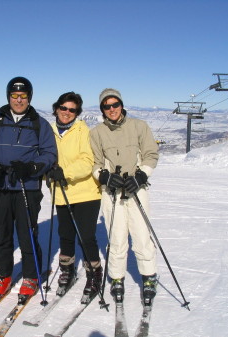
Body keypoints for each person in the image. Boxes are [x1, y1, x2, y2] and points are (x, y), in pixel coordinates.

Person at [0, 76, 57, 301]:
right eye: (14, 95)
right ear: (8, 96)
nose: (19, 100)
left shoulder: (39, 122)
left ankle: (31, 275)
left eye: (23, 96)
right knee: (1, 233)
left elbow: (50, 154)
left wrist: (32, 167)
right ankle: (4, 274)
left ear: (29, 97)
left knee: (26, 232)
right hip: (1, 184)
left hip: (27, 186)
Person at [90, 88, 159, 306]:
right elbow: (95, 163)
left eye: (115, 104)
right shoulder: (97, 132)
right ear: (102, 109)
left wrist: (141, 175)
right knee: (117, 238)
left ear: (121, 104)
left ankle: (148, 277)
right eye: (107, 106)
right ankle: (116, 277)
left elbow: (151, 154)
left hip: (137, 189)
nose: (112, 109)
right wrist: (104, 177)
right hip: (112, 193)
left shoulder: (139, 126)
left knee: (141, 235)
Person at [46, 92, 103, 303]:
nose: (67, 113)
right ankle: (67, 271)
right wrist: (46, 171)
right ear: (57, 108)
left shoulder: (82, 131)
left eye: (72, 110)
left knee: (86, 236)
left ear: (77, 113)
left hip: (85, 192)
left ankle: (94, 275)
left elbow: (88, 161)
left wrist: (65, 172)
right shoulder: (48, 131)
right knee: (66, 235)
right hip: (60, 192)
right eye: (64, 108)